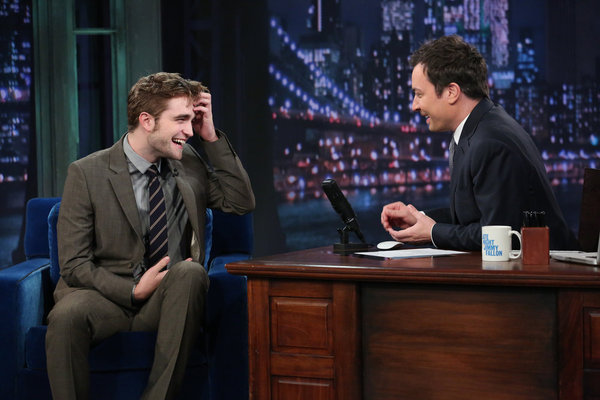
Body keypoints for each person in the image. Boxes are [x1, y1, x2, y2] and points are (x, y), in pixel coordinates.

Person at [45, 72, 255, 399]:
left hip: (168, 298)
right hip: (103, 297)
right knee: (66, 315)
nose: (189, 131)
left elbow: (240, 202)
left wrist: (211, 136)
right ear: (147, 121)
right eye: (181, 120)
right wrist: (132, 290)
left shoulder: (189, 162)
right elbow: (73, 264)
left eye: (191, 120)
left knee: (190, 272)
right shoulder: (86, 172)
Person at [380, 35, 577, 251]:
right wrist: (419, 218)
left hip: (547, 268)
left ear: (451, 92)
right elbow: (473, 216)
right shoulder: (479, 127)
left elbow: (498, 234)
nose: (414, 106)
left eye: (419, 94)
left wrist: (433, 233)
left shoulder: (491, 142)